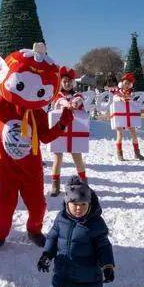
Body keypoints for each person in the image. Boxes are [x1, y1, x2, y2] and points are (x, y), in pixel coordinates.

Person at [0, 44, 73, 253]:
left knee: (38, 206)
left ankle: (34, 230)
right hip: (7, 167)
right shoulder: (3, 103)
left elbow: (46, 138)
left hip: (31, 167)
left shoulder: (37, 113)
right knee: (4, 204)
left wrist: (61, 125)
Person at [37, 176, 115, 287]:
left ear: (89, 204)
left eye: (83, 204)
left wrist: (108, 266)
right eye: (74, 204)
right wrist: (46, 254)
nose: (78, 208)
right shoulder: (61, 218)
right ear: (67, 203)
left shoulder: (95, 224)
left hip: (87, 277)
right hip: (64, 272)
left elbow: (103, 246)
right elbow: (52, 237)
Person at [49, 67, 87, 196]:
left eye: (69, 81)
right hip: (59, 131)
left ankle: (83, 183)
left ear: (73, 83)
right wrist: (66, 103)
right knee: (57, 158)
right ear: (61, 82)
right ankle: (55, 184)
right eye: (64, 81)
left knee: (77, 157)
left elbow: (79, 100)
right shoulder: (56, 96)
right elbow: (59, 101)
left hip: (75, 131)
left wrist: (74, 103)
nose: (67, 83)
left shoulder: (78, 95)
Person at [112, 73, 144, 161]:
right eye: (125, 83)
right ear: (122, 83)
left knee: (134, 134)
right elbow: (115, 99)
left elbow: (135, 105)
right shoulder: (117, 93)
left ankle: (137, 153)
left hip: (130, 117)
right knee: (119, 134)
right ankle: (119, 153)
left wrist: (142, 110)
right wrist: (121, 98)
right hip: (120, 116)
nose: (126, 85)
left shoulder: (132, 94)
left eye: (128, 83)